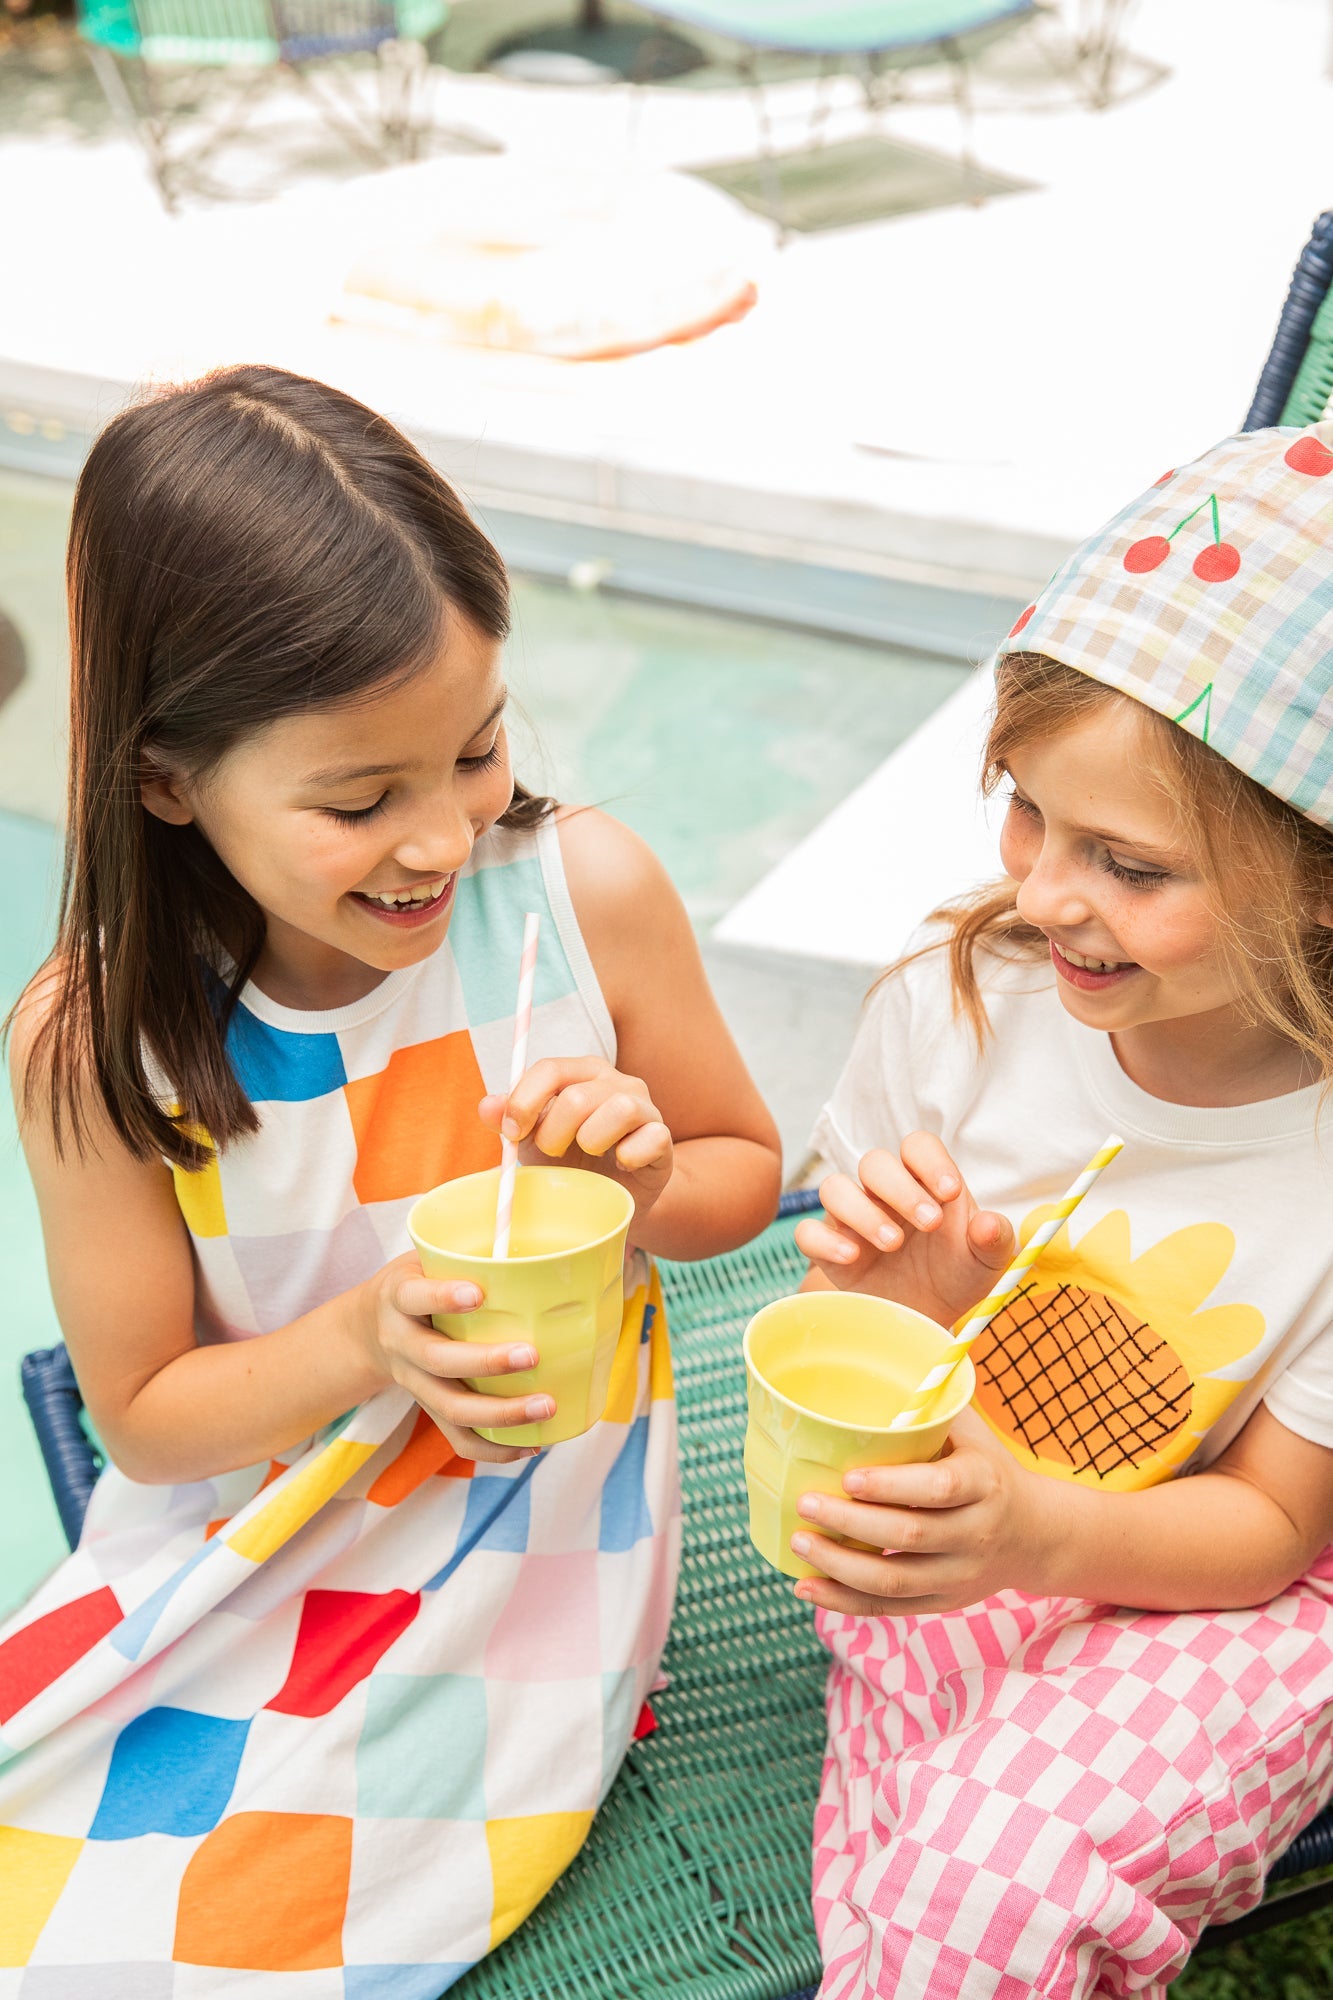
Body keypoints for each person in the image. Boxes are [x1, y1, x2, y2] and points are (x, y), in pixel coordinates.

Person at [0, 365, 781, 1990]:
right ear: (164, 781)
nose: (440, 836)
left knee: (220, 1945)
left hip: (524, 1533)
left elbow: (740, 1174)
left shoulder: (577, 899)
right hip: (255, 1532)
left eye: (476, 752)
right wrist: (369, 1343)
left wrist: (642, 1178)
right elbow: (143, 1412)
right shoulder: (97, 1043)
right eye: (361, 801)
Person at [793, 424, 1333, 1998]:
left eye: (1128, 863)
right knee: (924, 1907)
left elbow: (1267, 1532)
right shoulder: (957, 1016)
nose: (1040, 894)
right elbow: (864, 1397)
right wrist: (895, 1310)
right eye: (1024, 812)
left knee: (986, 1874)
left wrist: (1036, 1530)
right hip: (985, 1523)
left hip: (1234, 1578)